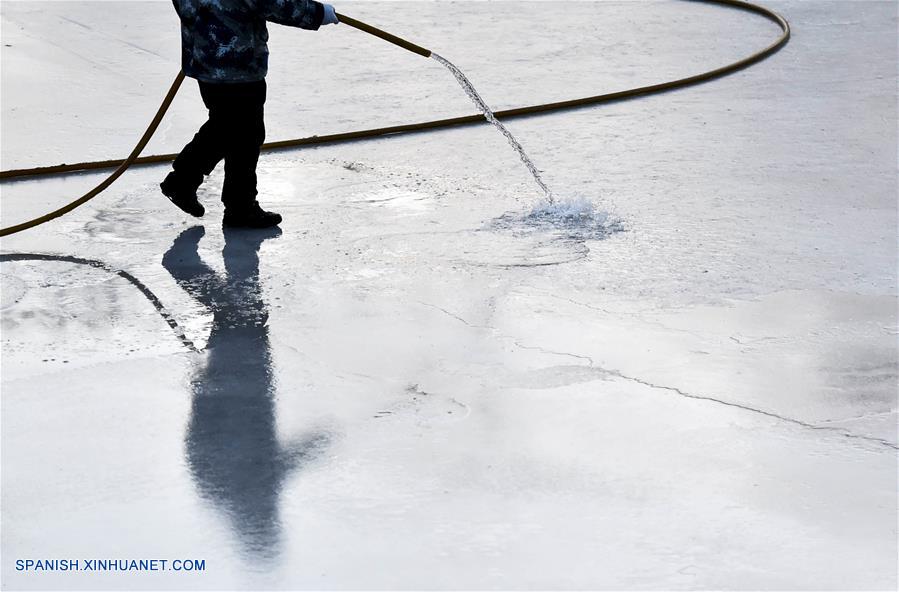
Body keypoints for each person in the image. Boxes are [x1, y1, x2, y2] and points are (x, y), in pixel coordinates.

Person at [162, 0, 339, 228]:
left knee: (229, 127)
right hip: (236, 61)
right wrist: (316, 13)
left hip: (206, 56)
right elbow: (272, 3)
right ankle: (194, 186)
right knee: (240, 132)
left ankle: (232, 203)